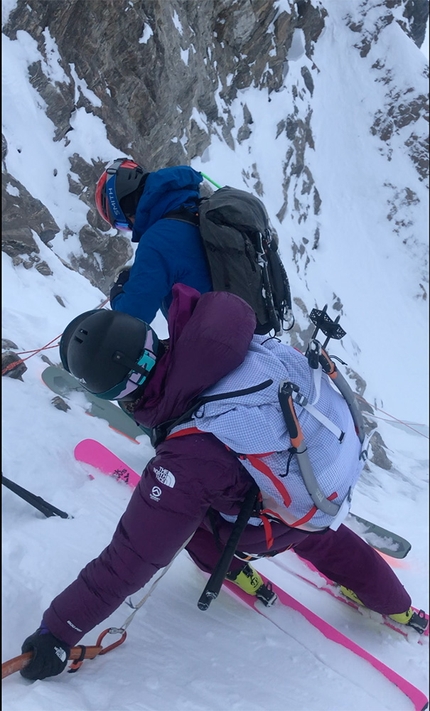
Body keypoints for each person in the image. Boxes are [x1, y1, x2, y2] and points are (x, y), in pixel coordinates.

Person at [20, 284, 427, 681]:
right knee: (315, 528)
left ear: (114, 392)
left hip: (280, 517)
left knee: (187, 523)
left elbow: (132, 559)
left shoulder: (190, 458)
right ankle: (395, 604)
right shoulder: (221, 339)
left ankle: (229, 564)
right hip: (324, 480)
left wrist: (58, 631)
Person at [95, 159, 212, 324]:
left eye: (123, 223)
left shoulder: (159, 239)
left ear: (126, 207)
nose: (131, 228)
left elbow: (131, 316)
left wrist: (119, 290)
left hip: (213, 343)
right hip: (246, 335)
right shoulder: (196, 212)